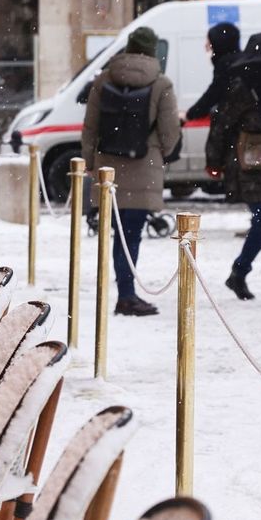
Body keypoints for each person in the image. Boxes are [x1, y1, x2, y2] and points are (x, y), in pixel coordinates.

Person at [81, 26, 181, 317]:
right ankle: (126, 296)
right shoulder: (161, 84)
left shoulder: (103, 80)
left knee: (118, 235)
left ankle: (124, 291)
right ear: (151, 51)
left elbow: (90, 127)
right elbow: (170, 132)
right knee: (132, 234)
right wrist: (161, 153)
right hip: (144, 165)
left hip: (109, 169)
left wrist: (90, 161)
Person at [206, 55, 261, 307]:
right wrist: (214, 161)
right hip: (246, 165)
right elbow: (221, 125)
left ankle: (239, 273)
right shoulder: (244, 89)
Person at [185, 22, 242, 122]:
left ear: (219, 43)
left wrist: (190, 114)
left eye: (210, 42)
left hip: (235, 125)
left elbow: (213, 94)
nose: (206, 46)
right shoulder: (239, 61)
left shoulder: (226, 65)